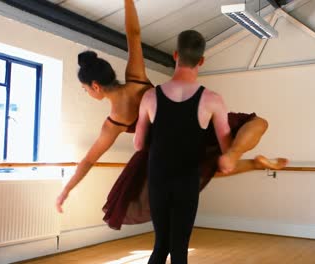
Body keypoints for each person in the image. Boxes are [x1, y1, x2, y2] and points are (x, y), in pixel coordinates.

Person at [55, 0, 288, 228]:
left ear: (96, 86)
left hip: (167, 148)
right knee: (256, 123)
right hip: (193, 121)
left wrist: (66, 189)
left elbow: (88, 161)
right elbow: (133, 34)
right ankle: (239, 154)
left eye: (85, 89)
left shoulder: (114, 122)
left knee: (205, 170)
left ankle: (252, 164)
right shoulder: (135, 77)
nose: (86, 93)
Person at [133, 30, 232, 263]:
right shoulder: (212, 100)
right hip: (187, 180)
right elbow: (227, 147)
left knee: (161, 245)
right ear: (202, 60)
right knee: (179, 249)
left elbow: (138, 144)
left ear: (175, 55)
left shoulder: (150, 96)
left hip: (158, 179)